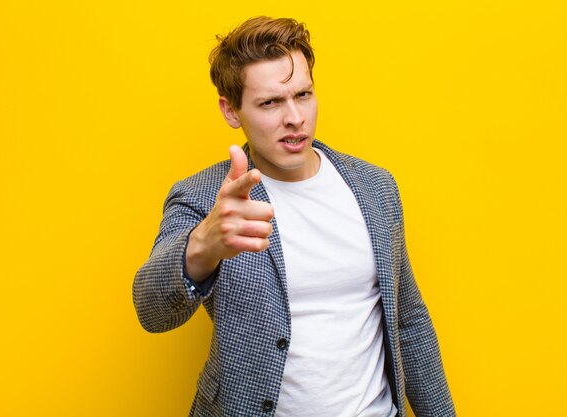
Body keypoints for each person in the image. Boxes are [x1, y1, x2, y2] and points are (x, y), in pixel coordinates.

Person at [133, 16, 455, 417]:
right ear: (231, 111)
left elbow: (408, 319)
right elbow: (151, 311)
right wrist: (202, 246)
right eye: (270, 102)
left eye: (303, 95)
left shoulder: (376, 187)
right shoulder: (205, 198)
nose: (295, 118)